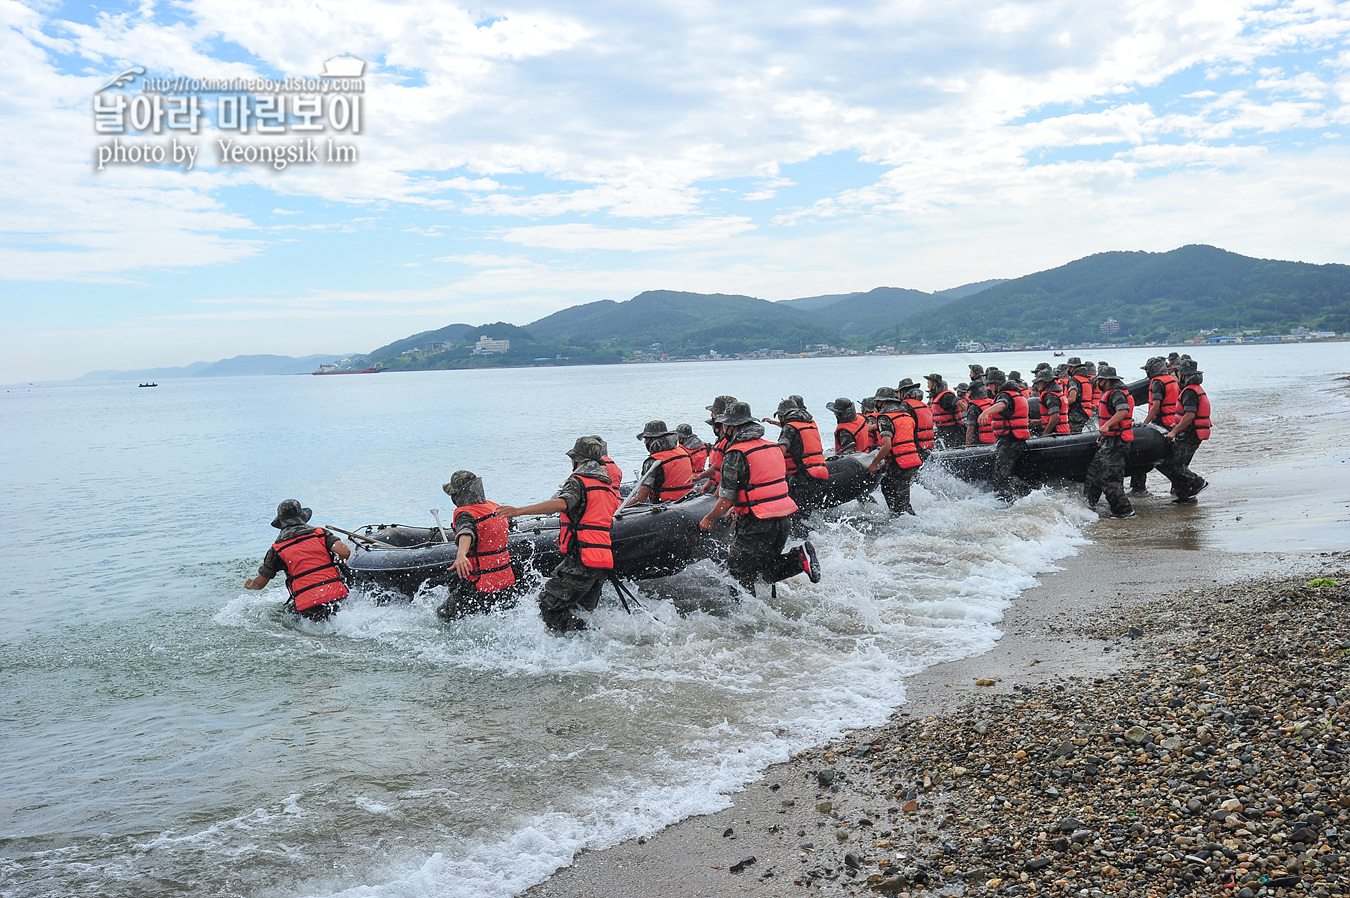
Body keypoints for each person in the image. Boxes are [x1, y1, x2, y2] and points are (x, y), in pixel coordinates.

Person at [496, 436, 620, 632]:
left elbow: (562, 503)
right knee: (581, 609)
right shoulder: (607, 488)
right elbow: (597, 521)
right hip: (603, 561)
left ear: (577, 461)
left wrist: (519, 511)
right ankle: (590, 640)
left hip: (583, 560)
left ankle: (584, 636)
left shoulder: (578, 482)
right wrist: (569, 536)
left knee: (547, 606)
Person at [698, 401, 820, 594]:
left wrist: (709, 518)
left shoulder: (735, 453)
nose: (721, 429)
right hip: (783, 520)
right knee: (763, 571)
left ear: (732, 427)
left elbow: (725, 500)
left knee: (736, 574)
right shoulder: (771, 447)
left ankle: (741, 618)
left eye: (723, 425)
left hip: (757, 523)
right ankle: (798, 559)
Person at [245, 499, 351, 620]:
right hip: (336, 597)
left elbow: (260, 584)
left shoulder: (277, 549)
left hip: (308, 607)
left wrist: (252, 585)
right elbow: (344, 551)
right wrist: (340, 560)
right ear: (302, 517)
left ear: (281, 522)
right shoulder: (320, 534)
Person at [437, 470, 520, 619]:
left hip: (479, 584)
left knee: (443, 614)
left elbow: (466, 532)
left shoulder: (464, 514)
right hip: (505, 580)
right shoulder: (495, 508)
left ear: (458, 495)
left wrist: (461, 554)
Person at [1084, 366, 1136, 518]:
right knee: (1093, 473)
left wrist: (1107, 426)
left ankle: (1124, 510)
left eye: (1099, 380)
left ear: (1105, 380)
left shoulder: (1116, 393)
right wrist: (1104, 435)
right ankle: (1088, 506)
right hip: (1109, 440)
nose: (1097, 383)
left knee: (1109, 478)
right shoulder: (1111, 392)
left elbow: (1123, 410)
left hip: (1117, 442)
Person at [1159, 360, 1210, 503]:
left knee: (1173, 463)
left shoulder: (1189, 391)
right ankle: (1185, 494)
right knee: (1178, 463)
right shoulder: (1196, 388)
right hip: (1193, 432)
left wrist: (1174, 432)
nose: (1177, 374)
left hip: (1190, 433)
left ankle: (1198, 482)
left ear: (1183, 375)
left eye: (1179, 372)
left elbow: (1189, 415)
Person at [1131, 356, 1182, 493]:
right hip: (1173, 423)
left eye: (1147, 369)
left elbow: (1156, 407)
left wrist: (1144, 424)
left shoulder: (1157, 383)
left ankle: (1138, 488)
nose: (1146, 372)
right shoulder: (1173, 379)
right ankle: (1179, 487)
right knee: (1171, 458)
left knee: (1146, 456)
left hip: (1162, 423)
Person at [870, 386, 922, 516]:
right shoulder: (906, 415)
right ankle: (898, 517)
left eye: (877, 402)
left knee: (901, 501)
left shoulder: (884, 418)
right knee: (888, 486)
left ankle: (910, 523)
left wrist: (874, 463)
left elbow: (887, 445)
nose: (876, 404)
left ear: (882, 402)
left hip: (900, 463)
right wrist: (888, 461)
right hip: (912, 460)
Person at [978, 374, 1030, 501]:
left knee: (1000, 476)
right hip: (1017, 440)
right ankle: (1023, 494)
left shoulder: (1004, 395)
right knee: (1006, 473)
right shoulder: (1018, 395)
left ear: (997, 385)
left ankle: (1011, 499)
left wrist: (986, 412)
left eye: (990, 384)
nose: (988, 387)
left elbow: (1002, 405)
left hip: (1009, 441)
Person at [632, 420, 694, 504]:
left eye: (646, 439)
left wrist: (617, 511)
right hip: (689, 500)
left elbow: (641, 499)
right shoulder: (682, 452)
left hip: (666, 505)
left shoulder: (653, 462)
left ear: (653, 440)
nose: (644, 442)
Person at [694, 396, 737, 494]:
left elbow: (729, 474)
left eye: (713, 413)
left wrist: (718, 495)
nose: (711, 415)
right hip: (717, 485)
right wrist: (709, 481)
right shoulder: (724, 440)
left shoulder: (730, 443)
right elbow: (719, 466)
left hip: (726, 491)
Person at [898, 378, 935, 460]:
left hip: (916, 447)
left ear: (903, 392)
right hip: (928, 447)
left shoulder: (905, 406)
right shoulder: (924, 405)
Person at [1065, 357, 1095, 434]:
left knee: (1072, 434)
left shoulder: (1073, 380)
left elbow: (1072, 398)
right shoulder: (1087, 379)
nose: (1067, 369)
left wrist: (1061, 404)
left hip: (1076, 413)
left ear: (1073, 368)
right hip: (1087, 411)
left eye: (1068, 367)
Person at [1036, 370, 1069, 436]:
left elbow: (1055, 416)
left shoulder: (1050, 396)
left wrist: (1046, 433)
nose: (1037, 384)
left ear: (1046, 382)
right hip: (1062, 430)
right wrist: (1039, 421)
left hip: (1056, 432)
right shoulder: (1057, 393)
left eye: (1039, 382)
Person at [964, 382, 994, 446]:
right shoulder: (992, 402)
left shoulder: (973, 407)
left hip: (982, 441)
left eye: (970, 391)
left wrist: (967, 446)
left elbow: (971, 428)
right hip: (995, 439)